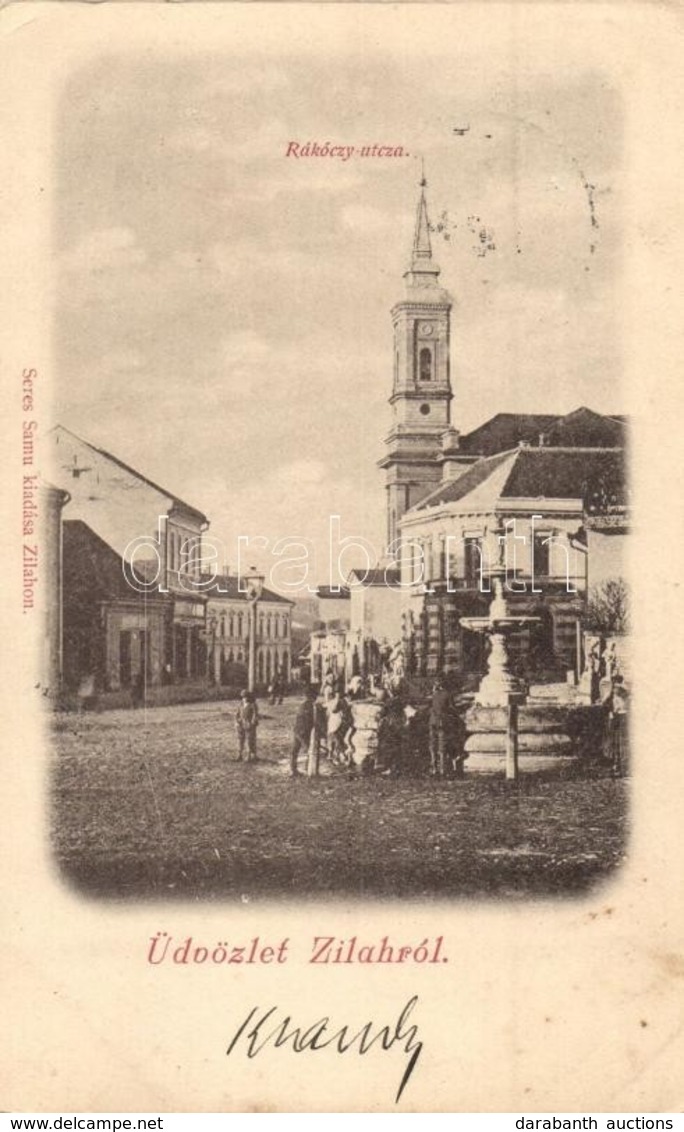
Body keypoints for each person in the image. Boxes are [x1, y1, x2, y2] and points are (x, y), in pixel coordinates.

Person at [290, 686, 317, 777]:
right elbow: (311, 720)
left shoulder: (303, 705)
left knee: (294, 751)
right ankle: (309, 770)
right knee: (309, 750)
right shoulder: (309, 706)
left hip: (297, 730)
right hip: (303, 731)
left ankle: (293, 770)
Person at [428, 678, 452, 777]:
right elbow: (451, 707)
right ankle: (442, 769)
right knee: (442, 747)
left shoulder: (434, 695)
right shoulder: (447, 694)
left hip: (432, 721)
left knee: (432, 745)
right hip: (442, 722)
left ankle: (433, 768)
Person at [235, 690, 259, 762]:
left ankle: (250, 756)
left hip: (249, 724)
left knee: (250, 740)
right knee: (240, 740)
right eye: (243, 697)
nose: (244, 699)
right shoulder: (241, 704)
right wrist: (237, 721)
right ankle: (239, 755)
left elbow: (255, 715)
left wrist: (252, 723)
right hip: (241, 724)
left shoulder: (253, 705)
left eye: (246, 697)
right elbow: (237, 714)